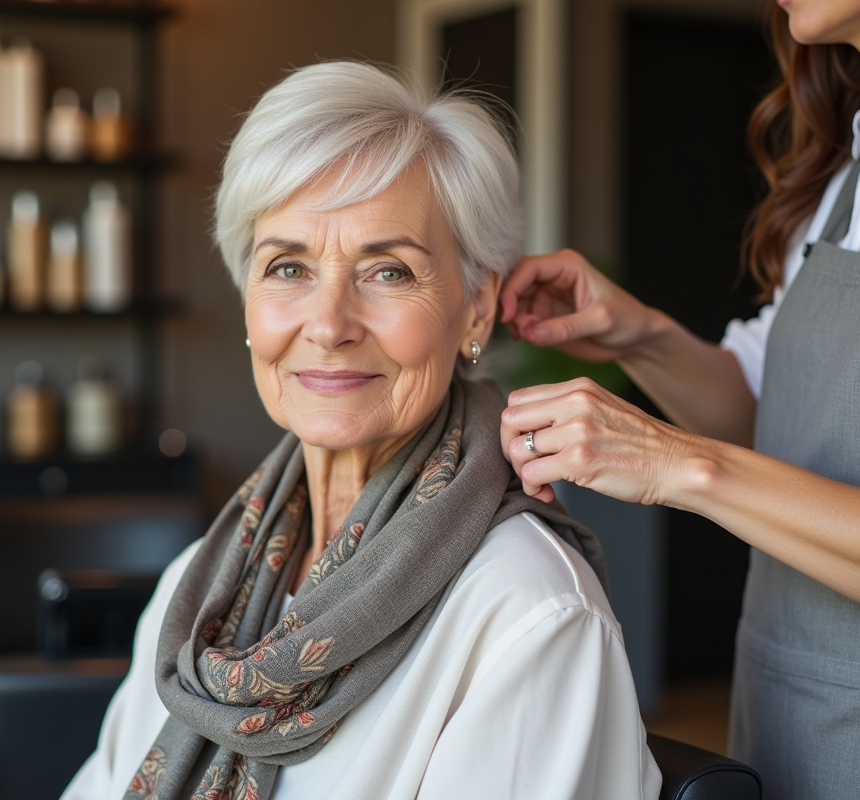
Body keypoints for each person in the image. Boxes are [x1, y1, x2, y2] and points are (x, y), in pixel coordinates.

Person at [62, 62, 661, 800]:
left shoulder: (528, 615)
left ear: (476, 310)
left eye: (388, 273)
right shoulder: (197, 591)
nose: (328, 324)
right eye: (287, 267)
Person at [497, 3, 860, 798]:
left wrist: (678, 465)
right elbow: (778, 416)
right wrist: (639, 335)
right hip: (788, 714)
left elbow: (727, 454)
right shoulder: (843, 171)